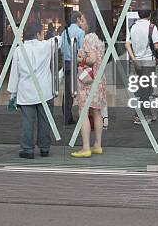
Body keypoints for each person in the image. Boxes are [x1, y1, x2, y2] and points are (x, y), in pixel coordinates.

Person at [7, 22, 61, 159]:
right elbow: (59, 40)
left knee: (28, 121)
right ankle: (44, 149)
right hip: (45, 91)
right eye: (42, 33)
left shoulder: (19, 50)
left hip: (26, 92)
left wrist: (13, 94)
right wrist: (55, 35)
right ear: (37, 34)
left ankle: (27, 149)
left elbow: (15, 74)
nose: (43, 36)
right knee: (45, 121)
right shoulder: (45, 46)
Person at [71, 20, 107, 158]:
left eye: (83, 21)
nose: (81, 24)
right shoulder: (99, 39)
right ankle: (97, 145)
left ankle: (86, 147)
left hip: (88, 81)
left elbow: (91, 60)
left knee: (83, 112)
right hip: (99, 79)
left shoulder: (89, 37)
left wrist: (79, 59)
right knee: (97, 112)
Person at [125, 10, 158, 124]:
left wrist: (133, 58)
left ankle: (147, 113)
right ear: (149, 15)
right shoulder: (151, 27)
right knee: (146, 89)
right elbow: (156, 46)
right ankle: (141, 116)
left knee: (142, 88)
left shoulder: (133, 27)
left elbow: (127, 44)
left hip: (136, 62)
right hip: (148, 61)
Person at [61, 11, 86, 125]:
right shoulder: (80, 32)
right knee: (77, 90)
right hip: (76, 63)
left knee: (67, 90)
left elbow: (61, 48)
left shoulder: (64, 32)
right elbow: (82, 50)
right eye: (81, 19)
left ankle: (66, 115)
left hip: (66, 63)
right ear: (77, 20)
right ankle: (71, 116)